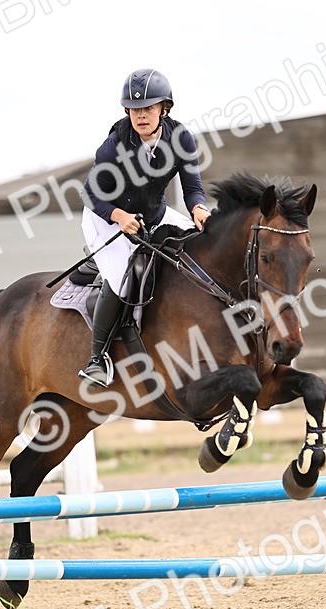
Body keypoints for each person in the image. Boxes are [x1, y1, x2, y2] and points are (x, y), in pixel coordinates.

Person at [78, 68, 210, 387]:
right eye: (135, 109)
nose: (141, 115)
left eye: (148, 108)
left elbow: (192, 187)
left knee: (197, 250)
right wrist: (119, 216)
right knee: (123, 276)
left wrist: (199, 210)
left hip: (154, 214)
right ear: (127, 112)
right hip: (105, 217)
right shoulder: (114, 146)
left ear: (164, 108)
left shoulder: (181, 139)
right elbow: (90, 193)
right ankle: (98, 358)